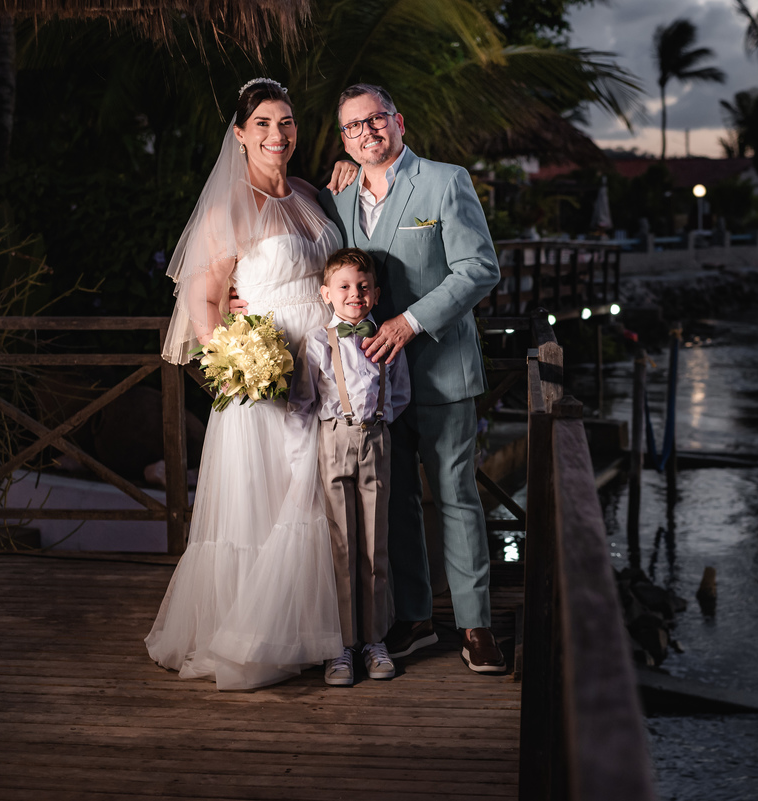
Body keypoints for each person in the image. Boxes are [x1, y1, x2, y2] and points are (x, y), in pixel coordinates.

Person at [146, 78, 356, 690]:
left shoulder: (312, 196)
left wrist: (345, 168)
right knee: (273, 503)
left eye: (286, 123)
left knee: (317, 497)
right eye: (263, 123)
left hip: (325, 367)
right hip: (266, 375)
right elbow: (205, 306)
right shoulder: (227, 207)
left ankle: (316, 631)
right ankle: (256, 633)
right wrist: (243, 367)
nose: (277, 134)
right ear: (240, 134)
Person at [317, 83, 506, 674]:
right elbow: (327, 272)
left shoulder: (445, 182)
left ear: (398, 121)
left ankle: (476, 626)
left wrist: (410, 322)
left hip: (443, 368)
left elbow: (480, 268)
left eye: (375, 120)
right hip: (370, 382)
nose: (366, 132)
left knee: (457, 497)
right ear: (343, 138)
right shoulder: (338, 199)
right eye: (353, 127)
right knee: (393, 503)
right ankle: (417, 618)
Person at [287, 248, 411, 686]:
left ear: (375, 295)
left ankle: (375, 639)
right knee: (340, 543)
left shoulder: (387, 339)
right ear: (326, 294)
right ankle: (339, 645)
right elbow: (302, 401)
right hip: (332, 440)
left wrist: (377, 421)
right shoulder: (318, 342)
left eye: (363, 287)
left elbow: (400, 394)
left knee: (375, 543)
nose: (354, 294)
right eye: (344, 287)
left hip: (375, 439)